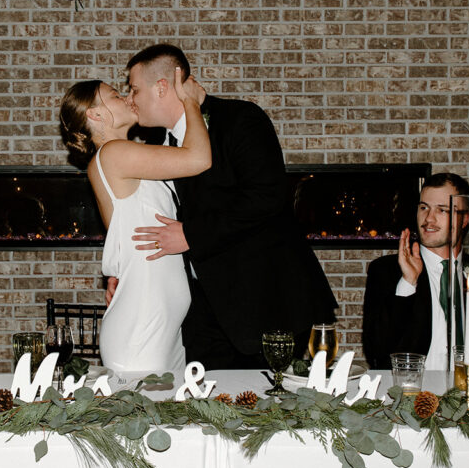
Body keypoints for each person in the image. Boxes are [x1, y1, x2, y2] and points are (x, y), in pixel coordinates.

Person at [122, 44, 337, 369]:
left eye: (134, 88)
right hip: (201, 312)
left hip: (265, 301)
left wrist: (192, 235)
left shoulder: (239, 119)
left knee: (271, 413)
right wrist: (127, 273)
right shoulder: (155, 144)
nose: (130, 98)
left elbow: (266, 195)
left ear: (162, 86)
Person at [59, 71, 210, 378]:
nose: (127, 98)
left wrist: (117, 272)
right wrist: (191, 103)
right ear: (95, 113)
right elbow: (198, 159)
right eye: (116, 95)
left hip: (164, 326)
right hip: (144, 325)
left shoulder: (118, 157)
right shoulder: (114, 153)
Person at [362, 173, 469, 370]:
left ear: (464, 220)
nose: (429, 219)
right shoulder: (387, 270)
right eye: (423, 208)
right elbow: (377, 351)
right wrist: (408, 283)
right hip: (411, 393)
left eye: (442, 210)